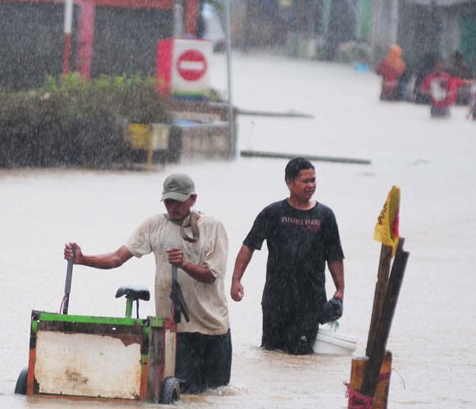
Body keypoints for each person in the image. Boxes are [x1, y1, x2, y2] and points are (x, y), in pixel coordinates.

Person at [63, 173, 231, 394]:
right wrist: (83, 260)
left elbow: (211, 275)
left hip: (212, 329)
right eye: (168, 201)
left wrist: (184, 264)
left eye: (178, 202)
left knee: (216, 396)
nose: (173, 207)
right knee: (182, 397)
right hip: (175, 330)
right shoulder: (154, 225)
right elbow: (117, 257)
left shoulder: (212, 227)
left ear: (192, 199)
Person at [230, 157, 345, 355]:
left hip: (310, 302)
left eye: (313, 180)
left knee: (302, 356)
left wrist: (340, 288)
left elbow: (334, 256)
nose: (311, 185)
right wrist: (236, 280)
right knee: (271, 354)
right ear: (289, 183)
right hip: (276, 300)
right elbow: (248, 247)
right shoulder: (273, 213)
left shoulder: (325, 216)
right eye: (305, 181)